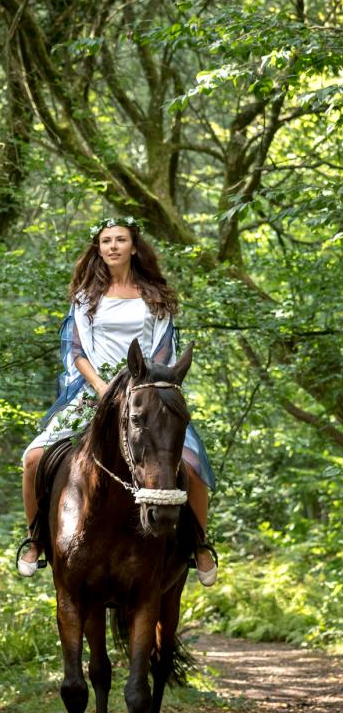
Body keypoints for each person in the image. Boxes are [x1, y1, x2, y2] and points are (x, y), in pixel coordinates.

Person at [18, 216, 217, 584]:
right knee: (32, 459)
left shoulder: (156, 299)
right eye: (106, 240)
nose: (112, 246)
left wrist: (136, 388)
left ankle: (200, 545)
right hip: (94, 394)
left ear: (134, 247)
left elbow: (162, 351)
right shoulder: (84, 299)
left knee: (191, 466)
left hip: (146, 397)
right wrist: (104, 390)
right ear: (98, 248)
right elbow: (77, 351)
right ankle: (35, 539)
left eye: (120, 240)